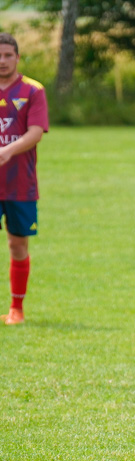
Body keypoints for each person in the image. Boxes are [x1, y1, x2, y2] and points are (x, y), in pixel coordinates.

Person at [0, 33, 49, 326]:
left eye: (7, 55)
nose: (2, 61)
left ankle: (16, 308)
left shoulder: (32, 90)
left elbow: (36, 132)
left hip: (20, 184)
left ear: (17, 57)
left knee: (17, 246)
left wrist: (7, 151)